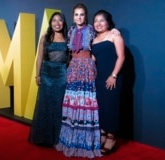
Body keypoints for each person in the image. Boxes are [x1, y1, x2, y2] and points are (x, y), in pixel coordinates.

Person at [55, 3, 102, 158]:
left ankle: (85, 142)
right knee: (72, 103)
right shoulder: (70, 31)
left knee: (84, 103)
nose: (79, 17)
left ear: (85, 16)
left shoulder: (91, 30)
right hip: (74, 67)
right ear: (73, 16)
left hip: (86, 68)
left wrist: (114, 32)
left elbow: (102, 39)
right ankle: (70, 140)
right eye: (76, 14)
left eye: (82, 14)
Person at [28, 12, 68, 147]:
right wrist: (37, 75)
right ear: (51, 23)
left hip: (62, 74)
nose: (57, 23)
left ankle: (58, 138)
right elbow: (39, 57)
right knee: (45, 104)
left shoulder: (69, 37)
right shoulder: (45, 37)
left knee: (58, 105)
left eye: (60, 20)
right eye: (54, 20)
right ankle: (44, 137)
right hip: (46, 73)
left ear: (63, 22)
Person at [91, 10, 125, 155]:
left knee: (111, 106)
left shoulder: (115, 35)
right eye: (96, 20)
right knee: (101, 106)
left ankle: (111, 137)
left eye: (102, 20)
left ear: (108, 22)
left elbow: (121, 57)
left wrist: (114, 75)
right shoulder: (92, 39)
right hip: (98, 78)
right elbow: (93, 60)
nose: (98, 23)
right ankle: (103, 133)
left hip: (112, 77)